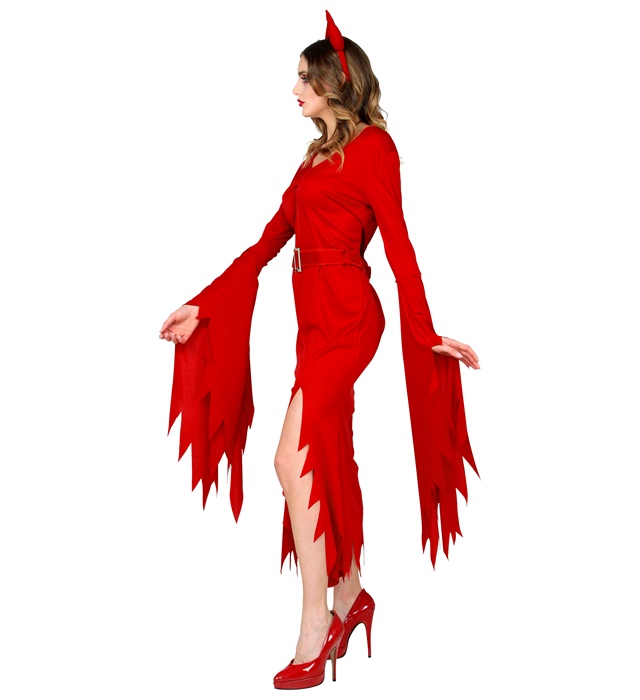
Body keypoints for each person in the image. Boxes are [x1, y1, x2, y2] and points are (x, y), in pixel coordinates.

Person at [159, 11, 480, 691]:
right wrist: (203, 304)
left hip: (351, 316)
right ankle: (352, 593)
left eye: (304, 77)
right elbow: (267, 242)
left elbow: (399, 246)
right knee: (322, 455)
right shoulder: (311, 160)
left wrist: (426, 333)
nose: (294, 88)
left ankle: (317, 622)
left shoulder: (376, 149)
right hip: (312, 319)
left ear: (336, 81)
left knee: (290, 457)